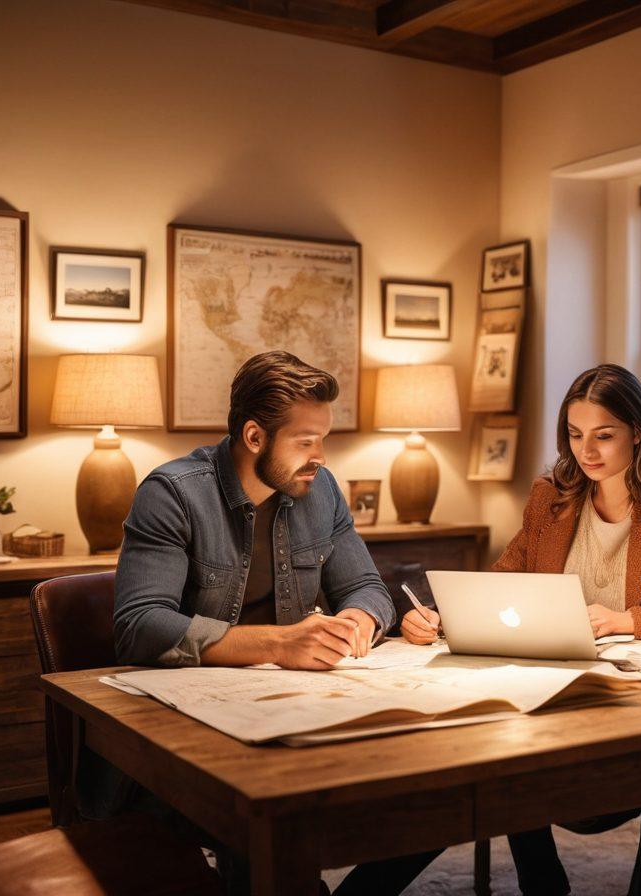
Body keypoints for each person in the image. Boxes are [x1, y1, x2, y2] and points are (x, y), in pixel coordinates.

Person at [401, 363, 641, 896]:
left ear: (639, 431)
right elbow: (504, 582)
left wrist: (626, 621)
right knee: (504, 739)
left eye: (604, 435)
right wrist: (441, 616)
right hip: (561, 694)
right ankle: (545, 886)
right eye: (575, 433)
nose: (587, 451)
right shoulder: (553, 495)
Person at [104, 350, 425, 896]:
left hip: (291, 709)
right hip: (192, 730)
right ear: (255, 437)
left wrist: (356, 619)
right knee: (272, 835)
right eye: (304, 442)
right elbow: (139, 624)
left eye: (323, 440)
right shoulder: (174, 492)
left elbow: (370, 589)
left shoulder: (320, 490)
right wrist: (280, 644)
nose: (320, 457)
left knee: (421, 796)